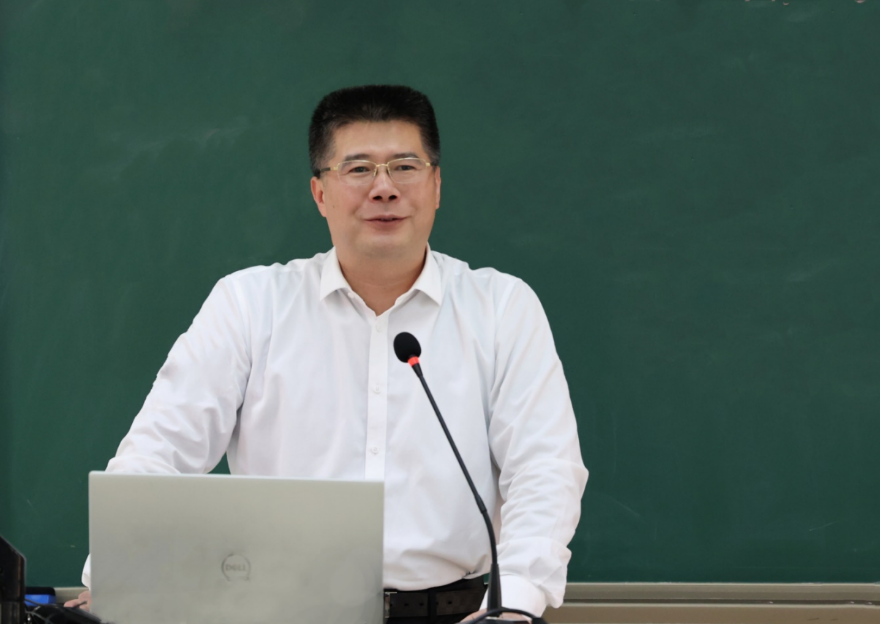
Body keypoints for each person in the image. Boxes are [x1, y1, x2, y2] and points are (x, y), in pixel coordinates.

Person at [68, 85, 587, 623]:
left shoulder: (502, 308)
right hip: (277, 612)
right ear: (320, 193)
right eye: (358, 169)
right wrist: (118, 579)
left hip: (458, 614)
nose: (384, 189)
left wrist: (515, 607)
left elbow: (544, 470)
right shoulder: (250, 304)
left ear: (436, 186)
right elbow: (160, 453)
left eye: (405, 167)